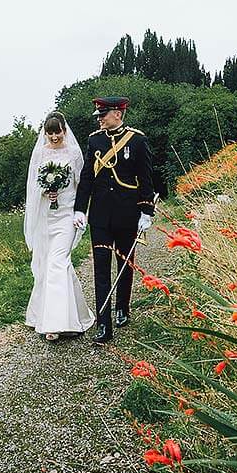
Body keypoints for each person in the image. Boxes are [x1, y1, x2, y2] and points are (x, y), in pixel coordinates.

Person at [73, 97, 155, 343]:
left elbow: (146, 178)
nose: (99, 118)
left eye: (103, 114)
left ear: (118, 113)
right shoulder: (94, 140)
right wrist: (80, 209)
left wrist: (146, 211)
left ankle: (122, 307)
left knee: (125, 263)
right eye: (99, 115)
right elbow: (87, 177)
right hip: (99, 216)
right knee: (100, 269)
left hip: (127, 213)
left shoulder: (137, 140)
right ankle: (103, 323)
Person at [24, 111, 96, 341]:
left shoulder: (74, 153)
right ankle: (74, 315)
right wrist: (46, 189)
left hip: (66, 215)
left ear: (64, 131)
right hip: (47, 215)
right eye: (50, 133)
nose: (54, 137)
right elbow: (33, 185)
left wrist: (79, 212)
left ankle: (55, 324)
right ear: (45, 133)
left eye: (57, 132)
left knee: (58, 261)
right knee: (50, 265)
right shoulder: (41, 152)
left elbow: (81, 185)